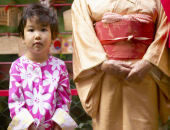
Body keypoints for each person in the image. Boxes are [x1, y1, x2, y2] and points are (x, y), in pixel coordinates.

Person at [71, 0, 170, 130]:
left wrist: (149, 61)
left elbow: (165, 29)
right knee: (108, 122)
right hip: (105, 73)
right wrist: (102, 63)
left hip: (145, 73)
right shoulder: (82, 2)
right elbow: (82, 32)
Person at [8, 4, 77, 130]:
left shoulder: (60, 67)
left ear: (53, 35)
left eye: (43, 29)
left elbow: (64, 100)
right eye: (31, 30)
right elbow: (16, 102)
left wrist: (58, 126)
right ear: (22, 36)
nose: (37, 35)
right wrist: (29, 127)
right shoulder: (17, 67)